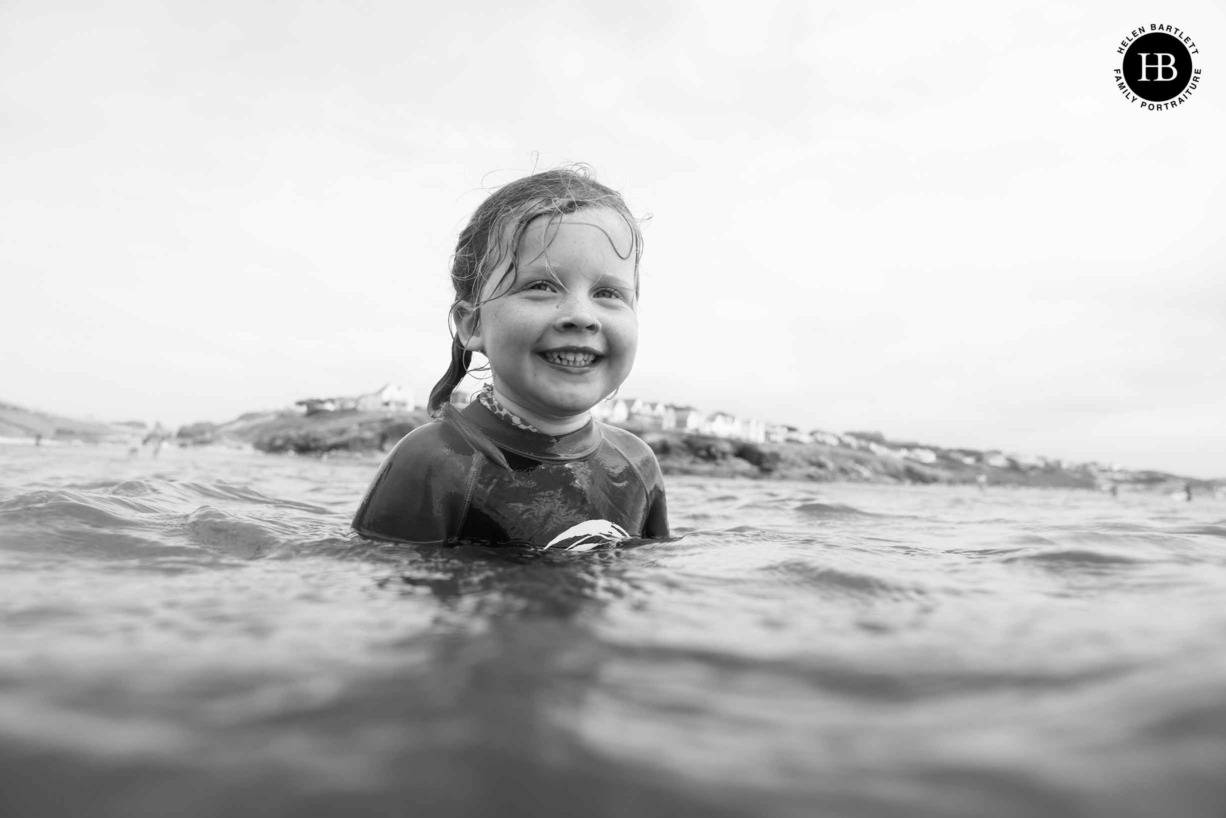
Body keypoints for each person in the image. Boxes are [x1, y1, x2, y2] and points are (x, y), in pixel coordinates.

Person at [352, 167, 669, 550]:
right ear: (472, 325)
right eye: (540, 286)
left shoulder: (637, 465)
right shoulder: (434, 463)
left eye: (609, 293)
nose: (583, 316)